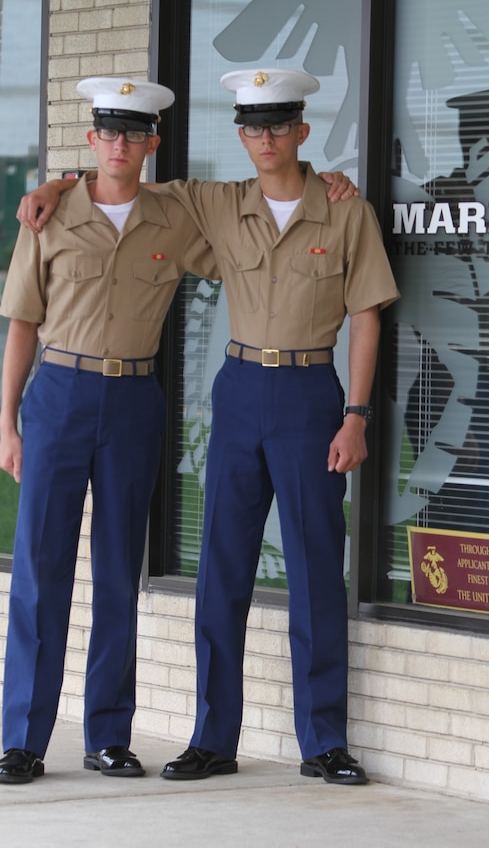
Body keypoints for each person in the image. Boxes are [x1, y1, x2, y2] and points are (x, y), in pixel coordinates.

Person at [0, 75, 356, 786]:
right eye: (108, 132)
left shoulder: (175, 217)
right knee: (41, 571)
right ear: (92, 139)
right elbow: (22, 325)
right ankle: (23, 741)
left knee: (119, 571)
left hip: (133, 402)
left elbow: (266, 232)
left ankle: (108, 736)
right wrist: (6, 422)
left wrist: (326, 188)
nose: (120, 143)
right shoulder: (49, 217)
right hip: (58, 395)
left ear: (152, 142)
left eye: (134, 133)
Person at [153, 69, 399, 785]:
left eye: (276, 125)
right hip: (237, 392)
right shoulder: (219, 204)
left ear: (301, 130)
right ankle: (212, 738)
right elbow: (124, 189)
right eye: (251, 127)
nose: (263, 139)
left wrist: (355, 415)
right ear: (241, 135)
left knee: (318, 569)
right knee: (220, 571)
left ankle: (322, 742)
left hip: (309, 396)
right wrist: (52, 188)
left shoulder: (346, 212)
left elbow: (366, 318)